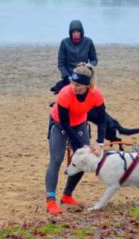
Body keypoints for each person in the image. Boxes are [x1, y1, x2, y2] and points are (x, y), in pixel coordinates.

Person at [45, 64, 106, 215]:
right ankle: (50, 201)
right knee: (56, 159)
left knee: (83, 158)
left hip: (79, 124)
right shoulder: (65, 94)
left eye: (78, 85)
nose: (73, 87)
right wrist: (81, 145)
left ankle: (67, 196)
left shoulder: (96, 95)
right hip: (59, 125)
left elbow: (102, 120)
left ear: (87, 86)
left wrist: (99, 144)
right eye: (72, 82)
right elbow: (65, 124)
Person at [50, 19, 98, 94]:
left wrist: (87, 65)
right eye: (74, 32)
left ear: (81, 32)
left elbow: (94, 60)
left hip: (84, 74)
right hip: (69, 76)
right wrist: (68, 77)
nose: (76, 34)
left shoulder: (88, 42)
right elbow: (61, 64)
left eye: (78, 32)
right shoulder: (64, 43)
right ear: (71, 33)